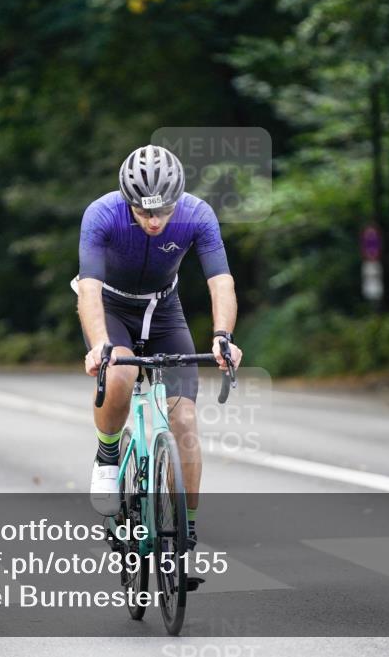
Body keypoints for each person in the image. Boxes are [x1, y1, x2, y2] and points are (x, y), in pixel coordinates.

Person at [76, 144, 243, 552]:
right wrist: (100, 345)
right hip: (112, 307)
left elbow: (220, 281)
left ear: (178, 199)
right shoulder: (102, 214)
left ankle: (184, 530)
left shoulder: (197, 215)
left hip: (163, 310)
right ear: (127, 201)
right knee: (121, 370)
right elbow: (89, 289)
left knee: (184, 421)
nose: (153, 221)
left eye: (162, 211)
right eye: (143, 211)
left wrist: (223, 336)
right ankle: (108, 455)